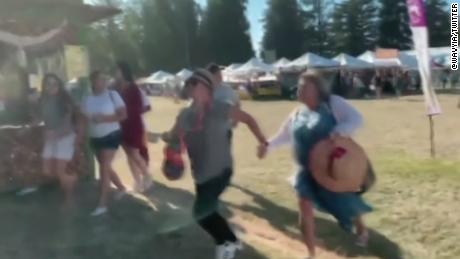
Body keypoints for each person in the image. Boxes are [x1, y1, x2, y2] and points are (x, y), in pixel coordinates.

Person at [258, 71, 372, 259]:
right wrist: (267, 147)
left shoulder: (333, 103)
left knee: (346, 202)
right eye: (299, 86)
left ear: (317, 89)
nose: (300, 89)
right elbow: (283, 136)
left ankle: (361, 228)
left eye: (304, 86)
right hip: (305, 171)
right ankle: (310, 254)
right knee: (304, 206)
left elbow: (356, 119)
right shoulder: (296, 114)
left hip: (331, 169)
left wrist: (339, 131)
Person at [164, 69, 267, 259]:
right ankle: (233, 241)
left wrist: (263, 141)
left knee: (201, 212)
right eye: (189, 83)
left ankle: (225, 243)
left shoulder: (219, 108)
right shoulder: (185, 115)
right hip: (201, 173)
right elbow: (173, 136)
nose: (190, 86)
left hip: (221, 171)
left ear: (206, 88)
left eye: (194, 83)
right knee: (208, 210)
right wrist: (169, 149)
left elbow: (248, 119)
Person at [21, 74, 83, 205]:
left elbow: (67, 122)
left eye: (55, 84)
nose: (51, 87)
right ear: (44, 86)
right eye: (48, 84)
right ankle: (71, 179)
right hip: (51, 137)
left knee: (60, 171)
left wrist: (55, 134)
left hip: (65, 137)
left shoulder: (65, 101)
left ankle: (69, 198)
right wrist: (27, 127)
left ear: (59, 85)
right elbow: (40, 118)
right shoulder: (43, 101)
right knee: (47, 170)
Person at [81, 71, 127, 216]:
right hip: (94, 137)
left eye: (105, 79)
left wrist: (104, 119)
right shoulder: (87, 98)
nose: (104, 81)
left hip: (111, 135)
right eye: (100, 79)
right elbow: (83, 118)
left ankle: (103, 203)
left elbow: (123, 115)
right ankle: (121, 188)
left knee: (104, 168)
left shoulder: (113, 95)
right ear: (93, 82)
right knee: (104, 166)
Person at [115, 62, 153, 192]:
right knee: (129, 155)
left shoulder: (134, 88)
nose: (116, 73)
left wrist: (124, 113)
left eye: (117, 70)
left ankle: (147, 175)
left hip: (134, 125)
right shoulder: (117, 88)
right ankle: (137, 181)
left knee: (134, 153)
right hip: (122, 126)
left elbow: (138, 107)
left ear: (124, 71)